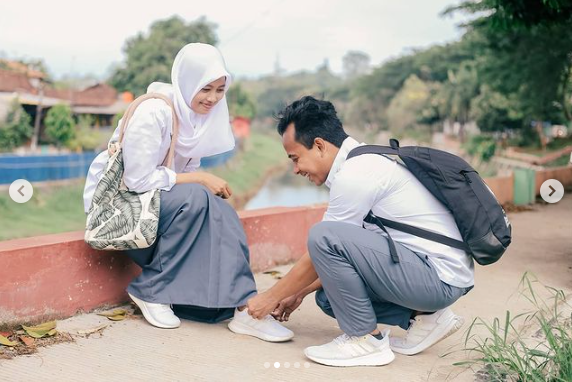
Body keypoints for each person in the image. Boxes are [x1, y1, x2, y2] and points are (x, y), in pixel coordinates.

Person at [83, 43, 293, 342]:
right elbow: (137, 180)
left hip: (158, 213)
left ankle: (244, 308)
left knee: (222, 210)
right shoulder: (153, 112)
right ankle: (150, 291)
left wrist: (200, 183)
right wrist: (202, 178)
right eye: (205, 88)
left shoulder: (196, 118)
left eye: (220, 90)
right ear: (186, 82)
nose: (213, 98)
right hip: (122, 216)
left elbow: (181, 179)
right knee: (198, 195)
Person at [246, 96, 474, 366]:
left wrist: (269, 298)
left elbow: (328, 244)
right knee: (329, 297)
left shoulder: (356, 174)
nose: (295, 169)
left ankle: (365, 340)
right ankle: (426, 318)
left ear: (319, 145)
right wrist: (298, 292)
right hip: (435, 275)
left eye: (296, 158)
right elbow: (351, 255)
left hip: (437, 279)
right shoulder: (365, 162)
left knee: (324, 235)